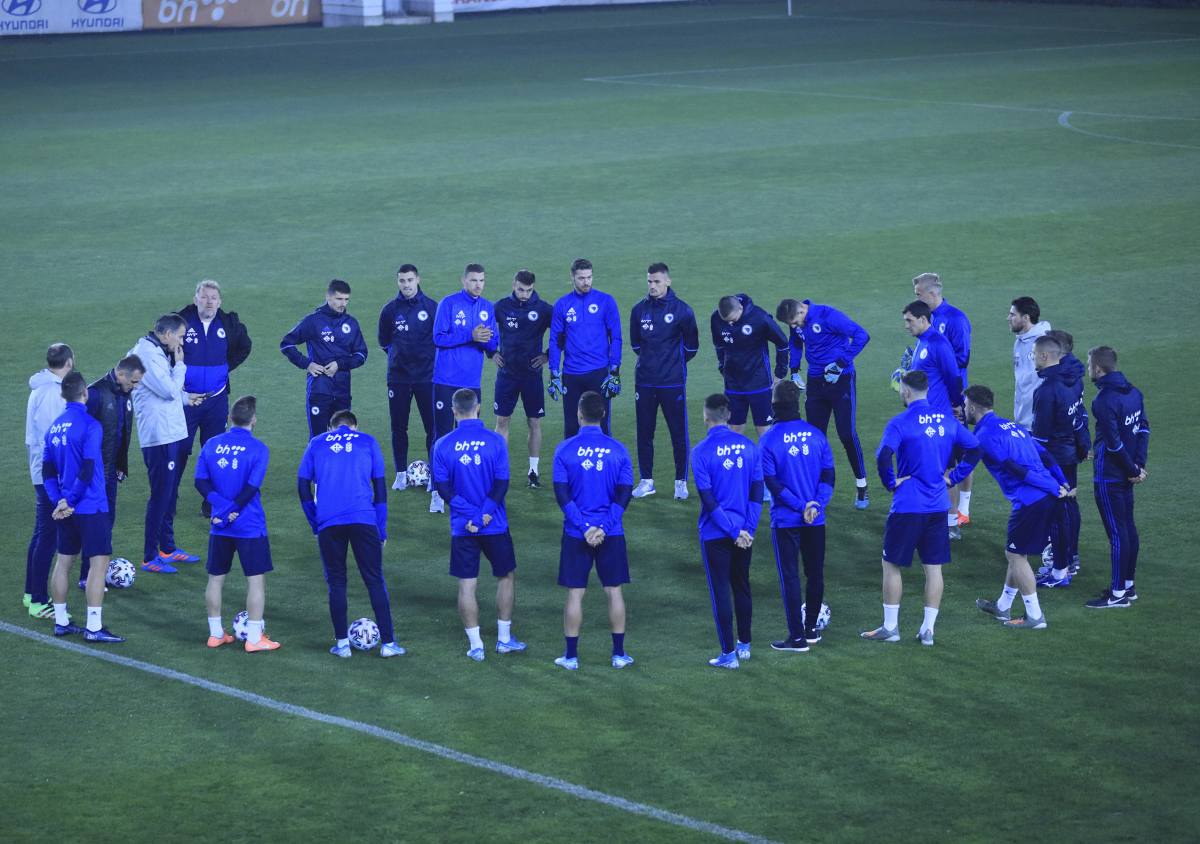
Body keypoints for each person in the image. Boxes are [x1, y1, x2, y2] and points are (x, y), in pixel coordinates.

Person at [862, 370, 979, 646]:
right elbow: (975, 449)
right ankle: (928, 630)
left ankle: (891, 628)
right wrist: (954, 476)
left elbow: (883, 455)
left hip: (908, 505)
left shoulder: (900, 422)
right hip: (939, 505)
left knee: (891, 565)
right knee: (933, 569)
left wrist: (890, 482)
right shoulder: (947, 420)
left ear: (905, 392)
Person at [297, 410, 405, 658]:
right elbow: (380, 489)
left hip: (329, 522)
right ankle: (388, 644)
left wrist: (315, 521)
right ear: (355, 426)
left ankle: (342, 645)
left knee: (336, 582)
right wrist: (381, 528)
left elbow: (302, 486)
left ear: (330, 427)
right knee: (374, 579)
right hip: (364, 520)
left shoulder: (316, 443)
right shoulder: (367, 441)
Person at [965, 385, 1071, 630]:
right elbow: (1045, 455)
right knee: (1017, 553)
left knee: (1014, 556)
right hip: (1046, 496)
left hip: (1031, 500)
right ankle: (1003, 606)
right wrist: (1062, 481)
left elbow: (1015, 469)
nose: (963, 408)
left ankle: (1035, 616)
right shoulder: (1012, 426)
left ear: (973, 407)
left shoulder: (985, 435)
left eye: (965, 404)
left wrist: (1052, 485)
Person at [431, 389, 525, 661]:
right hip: (494, 524)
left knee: (467, 584)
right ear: (478, 408)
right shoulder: (496, 441)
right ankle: (504, 640)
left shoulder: (442, 445)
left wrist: (471, 516)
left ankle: (476, 646)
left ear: (453, 410)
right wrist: (483, 515)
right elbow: (501, 484)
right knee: (506, 577)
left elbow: (444, 489)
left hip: (463, 527)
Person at [551, 391, 634, 670]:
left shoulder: (564, 450)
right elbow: (624, 495)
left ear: (579, 414)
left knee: (575, 594)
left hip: (576, 533)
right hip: (611, 533)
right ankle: (619, 655)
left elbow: (562, 495)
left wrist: (586, 528)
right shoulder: (619, 450)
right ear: (603, 415)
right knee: (614, 591)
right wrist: (604, 527)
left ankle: (571, 657)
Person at [194, 395, 280, 652]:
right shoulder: (259, 449)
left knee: (215, 579)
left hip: (219, 525)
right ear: (253, 420)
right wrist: (232, 510)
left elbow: (200, 482)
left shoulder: (212, 444)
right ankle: (254, 638)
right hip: (249, 525)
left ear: (230, 418)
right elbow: (251, 488)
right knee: (255, 580)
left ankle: (215, 634)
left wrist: (221, 509)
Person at [42, 372, 123, 643]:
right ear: (85, 394)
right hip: (90, 506)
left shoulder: (53, 428)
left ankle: (61, 622)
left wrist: (59, 501)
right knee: (98, 564)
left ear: (63, 395)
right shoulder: (91, 425)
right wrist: (71, 501)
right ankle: (94, 627)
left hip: (65, 508)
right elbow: (88, 469)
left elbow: (47, 472)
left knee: (64, 561)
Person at [759, 380, 835, 654]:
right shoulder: (816, 435)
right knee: (815, 573)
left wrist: (800, 506)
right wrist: (815, 505)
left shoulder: (768, 440)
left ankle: (797, 638)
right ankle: (811, 629)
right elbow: (828, 476)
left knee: (790, 577)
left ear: (774, 405)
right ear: (797, 402)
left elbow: (773, 484)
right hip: (816, 518)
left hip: (786, 520)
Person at [776, 297, 870, 509]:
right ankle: (816, 488)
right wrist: (795, 369)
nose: (795, 326)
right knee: (815, 438)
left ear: (801, 311)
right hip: (816, 382)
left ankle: (862, 484)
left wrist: (840, 364)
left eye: (795, 322)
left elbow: (862, 335)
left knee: (846, 434)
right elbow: (795, 341)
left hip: (841, 379)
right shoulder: (796, 321)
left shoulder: (829, 316)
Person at [129, 314, 202, 574]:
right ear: (168, 334)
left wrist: (185, 398)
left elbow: (163, 392)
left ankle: (167, 549)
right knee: (160, 496)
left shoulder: (155, 352)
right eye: (180, 336)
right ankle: (150, 556)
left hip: (169, 433)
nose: (181, 342)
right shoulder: (146, 355)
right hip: (159, 437)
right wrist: (180, 366)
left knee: (169, 494)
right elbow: (168, 390)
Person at [177, 279, 253, 514]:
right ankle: (169, 498)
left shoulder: (228, 324)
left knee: (214, 452)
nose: (209, 302)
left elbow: (244, 346)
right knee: (179, 450)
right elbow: (165, 347)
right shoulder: (181, 321)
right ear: (195, 299)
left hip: (216, 401)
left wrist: (224, 367)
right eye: (204, 297)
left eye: (213, 298)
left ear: (219, 302)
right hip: (186, 401)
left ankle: (211, 502)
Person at [1085, 346, 1149, 609]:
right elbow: (1143, 428)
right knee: (1128, 529)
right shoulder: (1134, 392)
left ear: (1098, 368)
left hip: (1110, 476)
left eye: (1089, 365)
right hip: (1127, 472)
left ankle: (1118, 594)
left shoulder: (1103, 400)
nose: (1088, 369)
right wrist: (1138, 465)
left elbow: (1113, 444)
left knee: (1117, 533)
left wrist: (1132, 470)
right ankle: (1128, 586)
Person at [431, 263, 498, 512]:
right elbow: (438, 338)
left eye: (481, 280)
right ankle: (437, 491)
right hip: (446, 380)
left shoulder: (487, 307)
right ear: (463, 280)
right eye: (473, 280)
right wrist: (470, 336)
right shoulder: (448, 304)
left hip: (472, 382)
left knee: (471, 437)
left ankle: (469, 489)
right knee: (442, 436)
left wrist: (488, 341)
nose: (478, 285)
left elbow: (493, 344)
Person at [630, 263, 698, 501]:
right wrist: (652, 361)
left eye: (657, 281)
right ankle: (646, 481)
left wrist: (671, 363)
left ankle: (681, 482)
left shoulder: (683, 310)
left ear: (668, 281)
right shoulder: (639, 310)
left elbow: (692, 347)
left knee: (678, 433)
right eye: (649, 281)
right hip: (645, 382)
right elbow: (635, 344)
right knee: (644, 432)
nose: (652, 286)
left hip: (672, 382)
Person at [913, 272, 976, 527]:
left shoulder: (955, 319)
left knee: (959, 456)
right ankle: (951, 512)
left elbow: (962, 358)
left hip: (953, 397)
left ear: (932, 293)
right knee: (947, 458)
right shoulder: (927, 319)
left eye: (918, 294)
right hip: (935, 398)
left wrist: (955, 398)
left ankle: (962, 509)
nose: (916, 298)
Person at [901, 300, 966, 540]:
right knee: (924, 467)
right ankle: (929, 517)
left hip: (938, 420)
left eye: (909, 320)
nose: (906, 325)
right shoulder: (922, 341)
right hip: (922, 418)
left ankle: (951, 524)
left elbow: (953, 377)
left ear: (923, 319)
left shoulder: (938, 343)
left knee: (945, 470)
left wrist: (957, 405)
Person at [1030, 333, 1090, 587]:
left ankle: (1058, 571)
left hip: (1053, 459)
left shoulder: (1046, 390)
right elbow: (1079, 417)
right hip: (1069, 454)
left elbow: (1041, 438)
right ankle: (1068, 559)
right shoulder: (1072, 380)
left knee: (1055, 513)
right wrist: (1083, 444)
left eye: (1034, 355)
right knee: (1068, 506)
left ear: (1045, 356)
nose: (1033, 359)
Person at [81, 356, 145, 586]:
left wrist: (120, 465)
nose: (135, 386)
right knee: (94, 525)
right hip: (94, 474)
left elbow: (121, 434)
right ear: (120, 374)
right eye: (134, 381)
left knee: (106, 523)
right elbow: (81, 435)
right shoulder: (95, 394)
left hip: (109, 472)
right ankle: (86, 577)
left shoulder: (124, 394)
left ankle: (94, 575)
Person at [280, 279, 368, 439]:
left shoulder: (351, 323)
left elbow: (361, 354)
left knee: (342, 438)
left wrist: (339, 364)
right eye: (339, 299)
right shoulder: (313, 321)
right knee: (318, 439)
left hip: (342, 391)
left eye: (346, 299)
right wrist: (307, 364)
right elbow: (286, 344)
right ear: (328, 297)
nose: (343, 304)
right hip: (319, 390)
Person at [377, 264, 438, 491]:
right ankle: (401, 474)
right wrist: (399, 357)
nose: (406, 285)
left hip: (426, 378)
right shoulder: (389, 310)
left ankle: (434, 476)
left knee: (432, 428)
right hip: (398, 378)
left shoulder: (432, 307)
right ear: (398, 282)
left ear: (418, 280)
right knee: (398, 427)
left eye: (410, 280)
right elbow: (383, 341)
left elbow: (439, 339)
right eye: (402, 281)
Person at [24, 343, 74, 620]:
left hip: (45, 471)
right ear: (69, 362)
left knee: (41, 535)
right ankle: (38, 601)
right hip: (50, 474)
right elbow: (51, 439)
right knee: (48, 538)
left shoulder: (45, 388)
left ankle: (30, 594)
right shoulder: (52, 393)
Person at [548, 258, 623, 438]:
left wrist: (614, 371)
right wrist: (554, 372)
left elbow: (616, 337)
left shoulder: (606, 301)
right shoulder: (562, 305)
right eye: (581, 278)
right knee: (572, 427)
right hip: (572, 374)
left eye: (589, 277)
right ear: (572, 277)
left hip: (599, 373)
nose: (586, 282)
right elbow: (555, 341)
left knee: (602, 426)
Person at [491, 269, 553, 488]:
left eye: (528, 290)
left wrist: (547, 355)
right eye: (520, 290)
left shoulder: (543, 309)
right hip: (506, 375)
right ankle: (499, 470)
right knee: (502, 421)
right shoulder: (501, 307)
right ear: (513, 285)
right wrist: (491, 352)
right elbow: (483, 327)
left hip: (531, 376)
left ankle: (533, 471)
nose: (524, 294)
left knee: (534, 422)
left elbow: (562, 333)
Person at [710, 293, 789, 438]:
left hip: (759, 383)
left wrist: (780, 373)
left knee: (764, 431)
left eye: (733, 320)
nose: (730, 324)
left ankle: (766, 455)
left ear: (740, 308)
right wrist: (722, 366)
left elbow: (782, 343)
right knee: (734, 430)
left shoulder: (759, 318)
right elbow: (719, 345)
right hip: (733, 384)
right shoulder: (716, 318)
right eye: (726, 321)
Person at [1008, 296, 1051, 429]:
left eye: (1012, 315)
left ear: (1026, 318)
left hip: (1037, 420)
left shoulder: (1044, 342)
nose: (1008, 318)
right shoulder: (1019, 342)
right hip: (1022, 418)